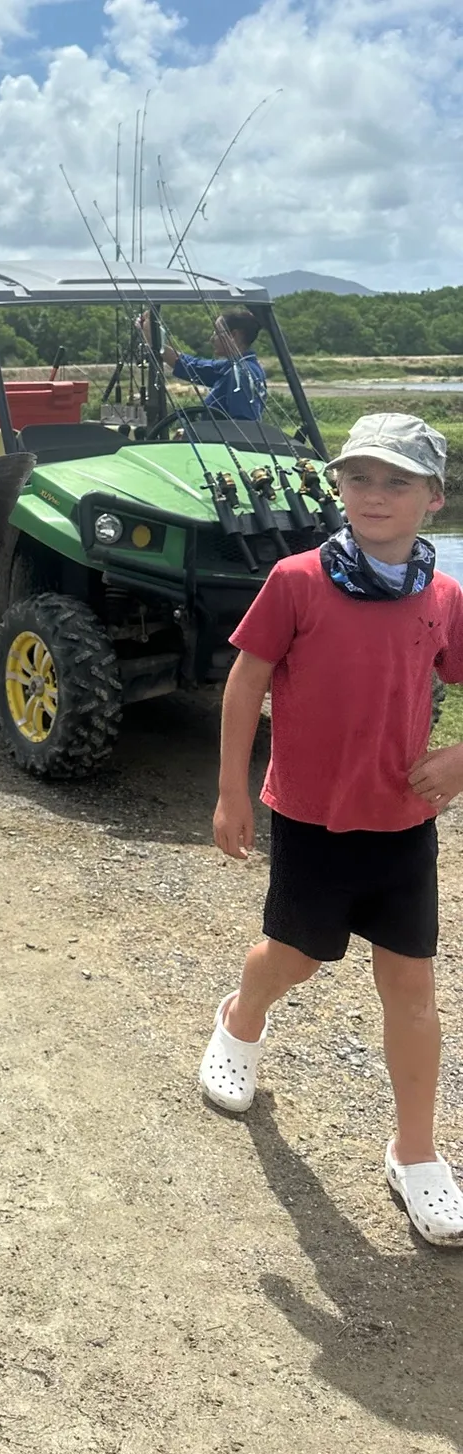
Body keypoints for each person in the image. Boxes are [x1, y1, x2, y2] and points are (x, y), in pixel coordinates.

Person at [202, 411, 463, 1247]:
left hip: (403, 825)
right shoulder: (297, 580)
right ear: (337, 486)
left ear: (434, 499)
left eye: (398, 482)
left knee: (412, 989)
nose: (375, 496)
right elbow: (245, 684)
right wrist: (231, 793)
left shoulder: (445, 595)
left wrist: (461, 758)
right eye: (359, 478)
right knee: (297, 957)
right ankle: (242, 1017)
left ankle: (416, 1152)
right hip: (311, 818)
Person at [137, 306, 269, 421]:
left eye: (217, 333)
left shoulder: (240, 373)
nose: (212, 339)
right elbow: (191, 366)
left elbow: (243, 427)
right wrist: (154, 340)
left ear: (234, 335)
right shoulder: (234, 367)